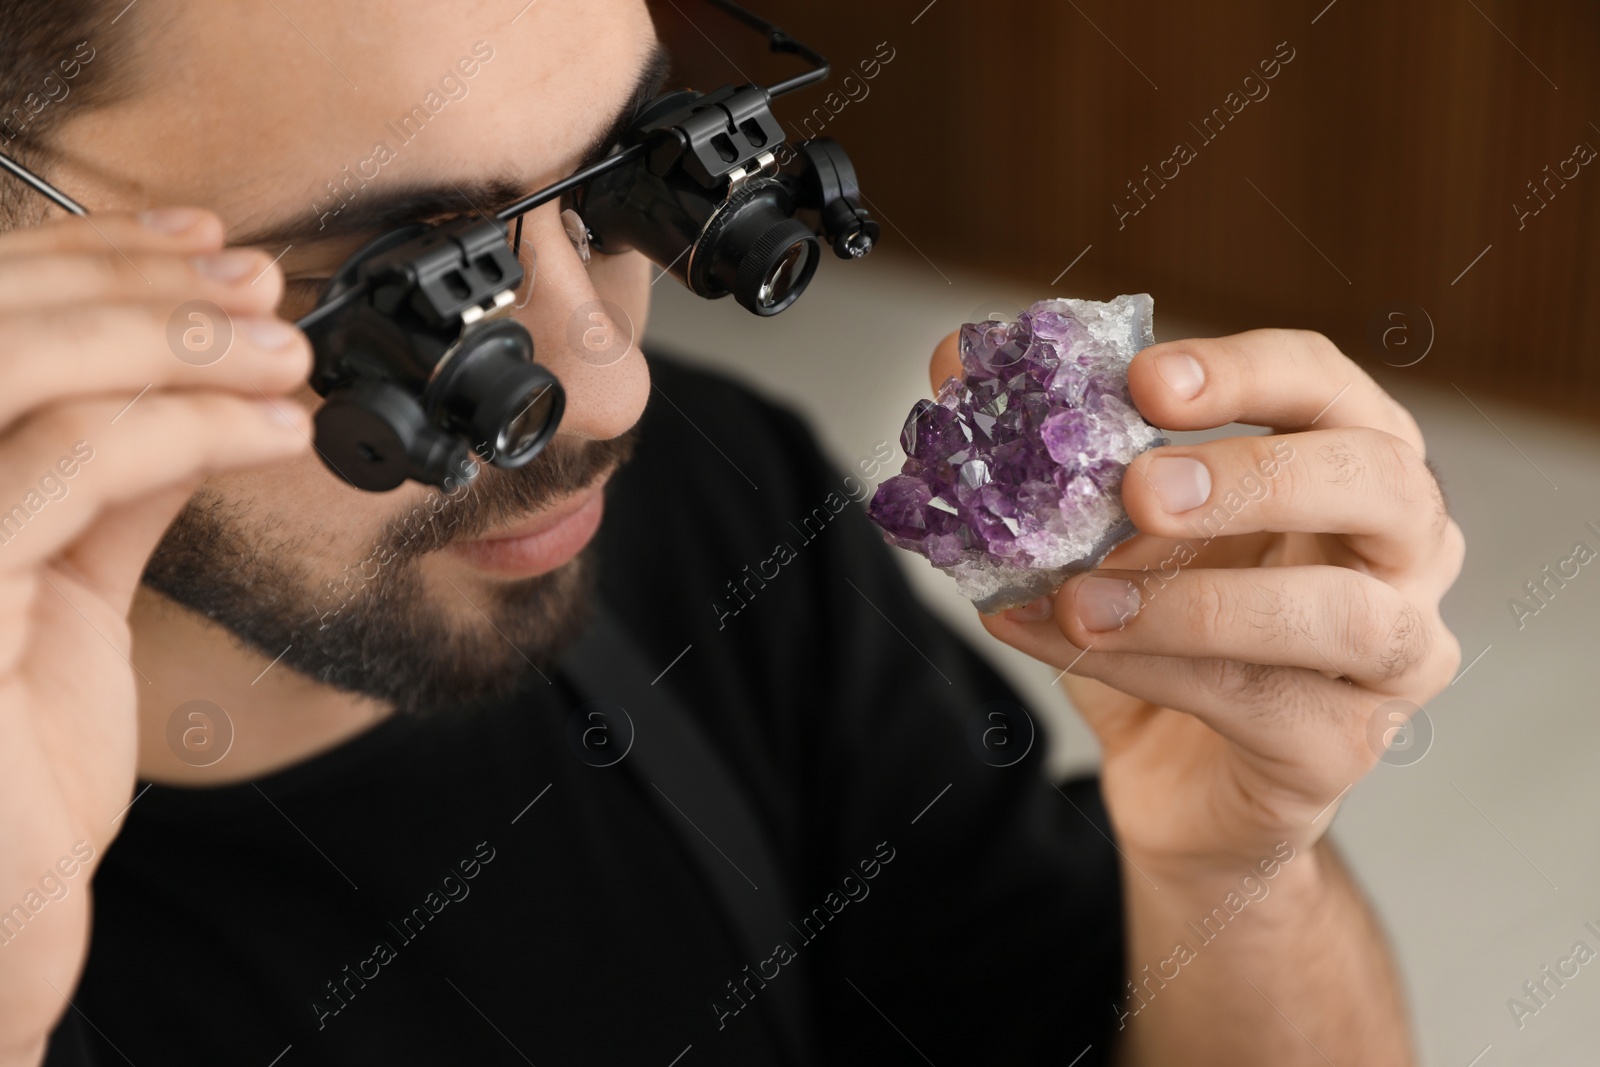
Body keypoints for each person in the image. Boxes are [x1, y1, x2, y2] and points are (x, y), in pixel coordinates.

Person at [0, 1, 1462, 1064]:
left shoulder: (708, 501)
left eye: (630, 179)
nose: (609, 383)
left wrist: (1231, 877)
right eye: (413, 287)